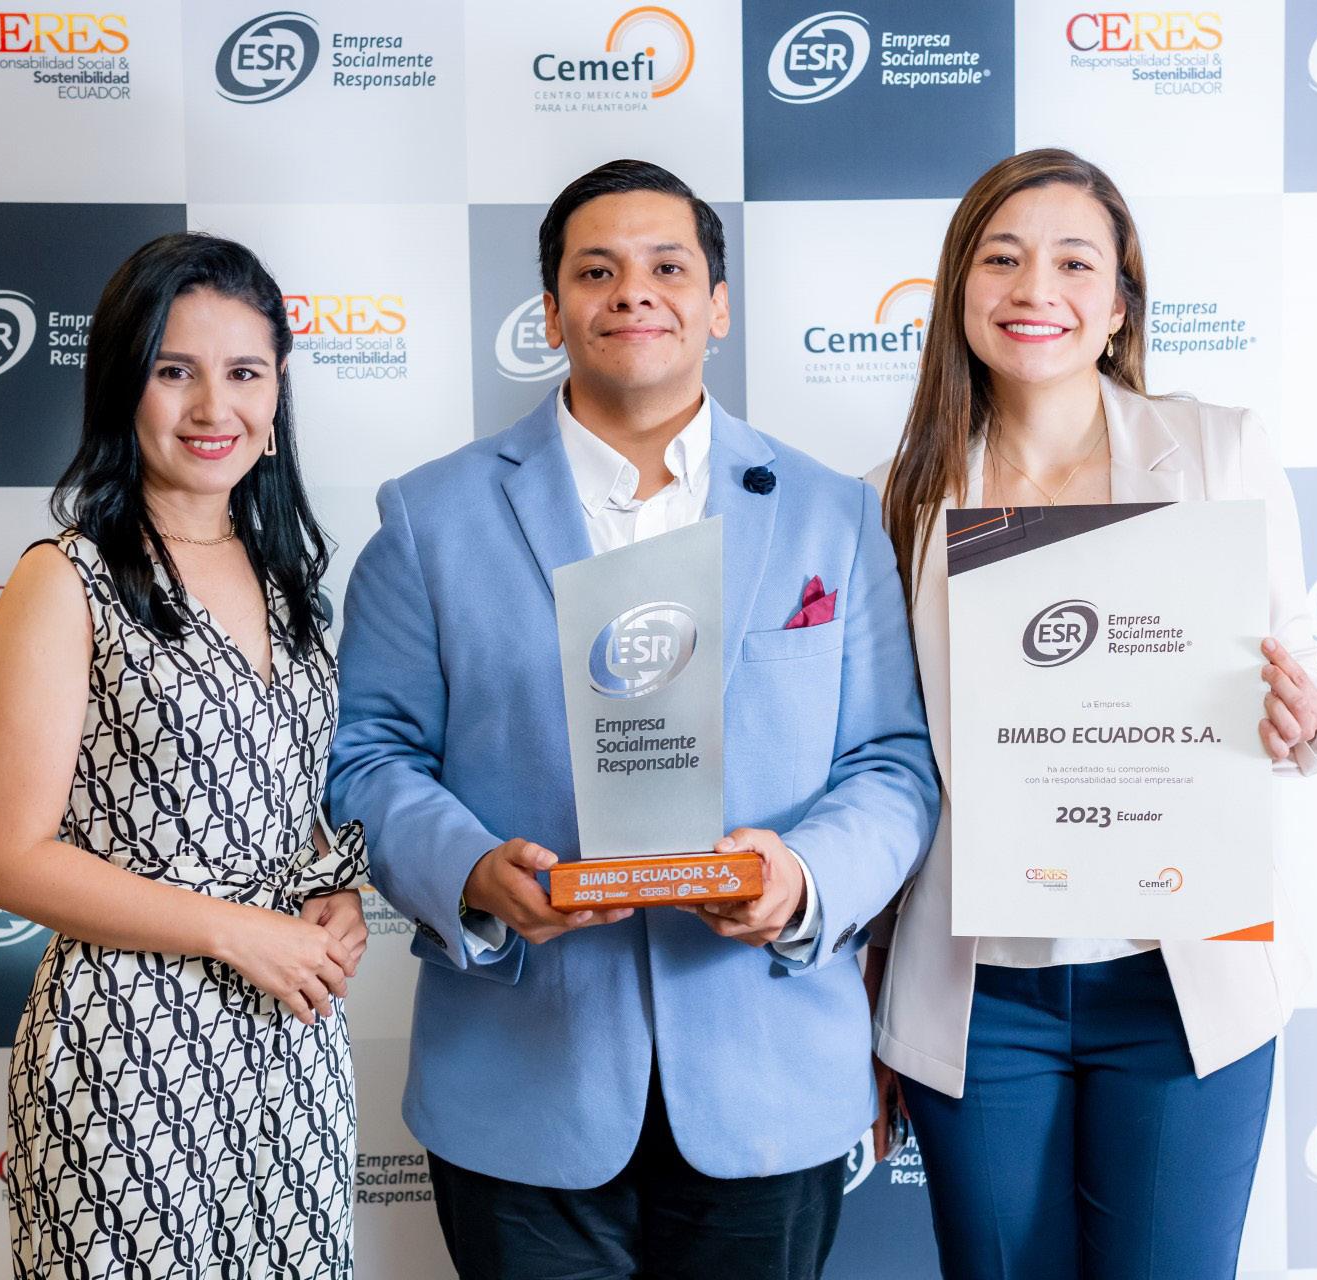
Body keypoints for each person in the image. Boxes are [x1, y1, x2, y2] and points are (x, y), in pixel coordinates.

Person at [327, 159, 939, 1280]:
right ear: (551, 310)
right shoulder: (429, 518)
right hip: (522, 1078)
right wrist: (470, 871)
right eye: (595, 271)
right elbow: (369, 756)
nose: (633, 292)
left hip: (767, 1077)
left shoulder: (836, 517)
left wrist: (804, 877)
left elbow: (892, 764)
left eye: (668, 266)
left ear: (718, 304)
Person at [865, 149, 1317, 1278]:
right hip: (981, 991)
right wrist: (867, 980)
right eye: (1002, 258)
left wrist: (1303, 722)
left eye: (1075, 262)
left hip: (1183, 976)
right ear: (960, 287)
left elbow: (1309, 706)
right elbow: (888, 756)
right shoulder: (904, 495)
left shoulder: (1220, 450)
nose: (1036, 289)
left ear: (1120, 302)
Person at [0, 232, 370, 1279]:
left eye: (245, 373)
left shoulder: (291, 582)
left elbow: (278, 797)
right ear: (122, 384)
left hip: (290, 1045)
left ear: (278, 393)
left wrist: (332, 892)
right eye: (174, 370)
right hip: (128, 1052)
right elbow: (0, 857)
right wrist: (236, 929)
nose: (212, 407)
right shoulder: (67, 580)